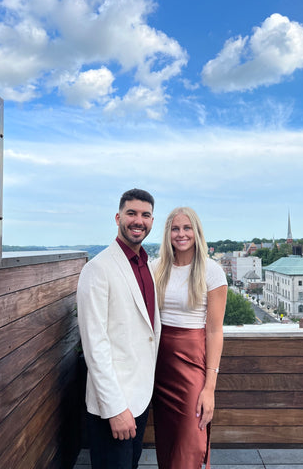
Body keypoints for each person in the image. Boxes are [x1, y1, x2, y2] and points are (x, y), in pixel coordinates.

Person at [77, 188, 161, 469]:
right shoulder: (98, 268)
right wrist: (115, 409)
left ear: (152, 221)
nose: (139, 220)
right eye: (132, 213)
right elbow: (94, 345)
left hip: (140, 399)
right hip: (113, 406)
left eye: (145, 215)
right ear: (118, 217)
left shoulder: (146, 265)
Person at [151, 207, 227, 469]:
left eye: (186, 228)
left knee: (191, 443)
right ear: (167, 233)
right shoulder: (156, 268)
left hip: (192, 365)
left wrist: (210, 387)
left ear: (196, 232)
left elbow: (215, 331)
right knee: (168, 443)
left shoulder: (211, 271)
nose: (181, 234)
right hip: (160, 367)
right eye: (175, 228)